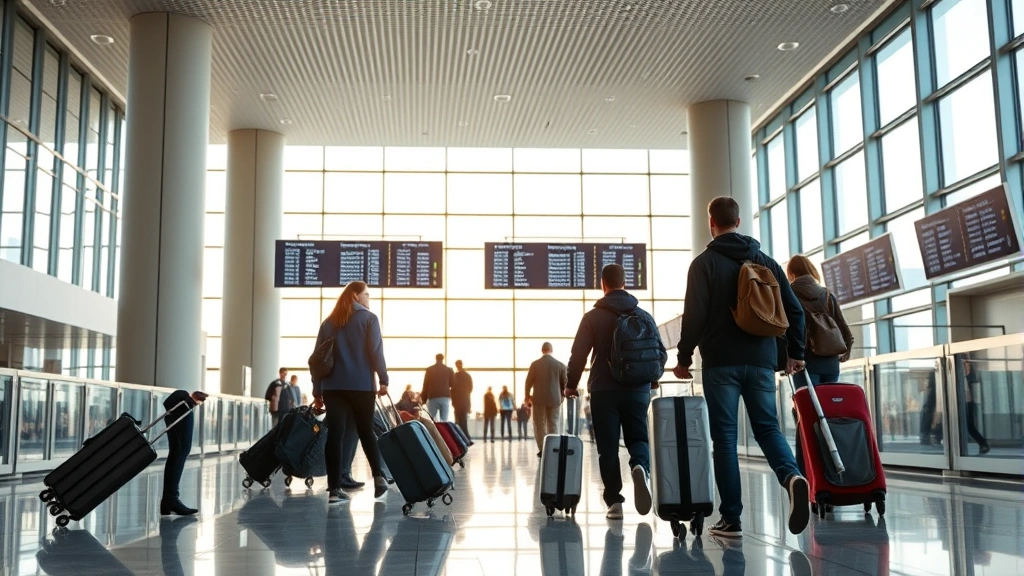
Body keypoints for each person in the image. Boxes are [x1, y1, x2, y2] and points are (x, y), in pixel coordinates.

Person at [672, 196, 810, 538]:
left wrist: (684, 357)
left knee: (725, 439)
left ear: (711, 222)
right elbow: (795, 311)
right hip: (762, 361)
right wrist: (795, 352)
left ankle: (731, 519)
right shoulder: (765, 261)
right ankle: (792, 477)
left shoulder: (704, 264)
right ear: (737, 221)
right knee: (768, 428)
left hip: (720, 363)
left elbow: (695, 315)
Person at [565, 263, 665, 520]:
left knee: (607, 447)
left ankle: (614, 502)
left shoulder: (592, 317)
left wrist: (570, 383)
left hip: (604, 389)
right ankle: (640, 466)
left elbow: (578, 354)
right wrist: (651, 378)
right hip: (637, 389)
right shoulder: (643, 315)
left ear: (603, 284)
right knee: (639, 438)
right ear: (624, 283)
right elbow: (659, 353)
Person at [312, 281, 390, 504]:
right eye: (366, 294)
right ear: (356, 296)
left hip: (333, 388)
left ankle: (335, 490)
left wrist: (317, 390)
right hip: (362, 386)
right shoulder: (368, 318)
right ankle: (378, 477)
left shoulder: (329, 323)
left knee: (335, 435)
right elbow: (376, 352)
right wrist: (383, 379)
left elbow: (317, 360)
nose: (368, 298)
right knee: (366, 432)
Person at [786, 255, 855, 385]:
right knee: (829, 403)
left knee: (806, 404)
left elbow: (788, 328)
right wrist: (846, 351)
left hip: (805, 361)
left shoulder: (790, 294)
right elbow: (843, 328)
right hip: (831, 363)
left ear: (791, 273)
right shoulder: (827, 294)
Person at [161, 389, 206, 516]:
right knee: (180, 450)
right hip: (181, 402)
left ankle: (169, 499)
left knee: (178, 451)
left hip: (181, 401)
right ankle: (170, 499)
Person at [525, 341, 568, 456]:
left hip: (538, 399)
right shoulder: (560, 365)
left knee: (539, 425)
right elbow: (565, 384)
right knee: (553, 424)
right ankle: (554, 449)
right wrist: (562, 396)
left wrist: (527, 397)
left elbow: (528, 383)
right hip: (555, 399)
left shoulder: (535, 364)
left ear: (542, 350)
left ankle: (542, 449)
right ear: (551, 350)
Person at [963, 356, 991, 454]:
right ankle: (983, 444)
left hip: (967, 402)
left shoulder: (967, 375)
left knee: (970, 426)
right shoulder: (965, 375)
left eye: (967, 364)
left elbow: (968, 391)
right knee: (968, 426)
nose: (967, 367)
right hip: (966, 402)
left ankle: (983, 444)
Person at [421, 353, 456, 422]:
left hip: (433, 397)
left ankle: (433, 432)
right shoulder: (449, 370)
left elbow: (426, 385)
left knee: (431, 419)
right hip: (445, 397)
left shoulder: (430, 370)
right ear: (443, 359)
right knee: (444, 420)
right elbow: (453, 384)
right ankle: (443, 432)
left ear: (436, 358)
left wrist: (423, 399)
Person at [452, 360, 474, 440]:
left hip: (457, 401)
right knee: (463, 421)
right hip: (465, 401)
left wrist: (453, 399)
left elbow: (452, 389)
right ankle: (466, 438)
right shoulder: (467, 376)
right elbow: (470, 388)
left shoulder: (455, 376)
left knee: (458, 421)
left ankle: (460, 438)